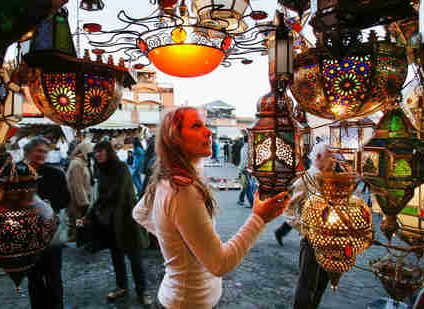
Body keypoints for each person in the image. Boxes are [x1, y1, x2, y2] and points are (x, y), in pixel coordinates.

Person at [132, 107, 290, 309]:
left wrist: (181, 241)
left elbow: (140, 212)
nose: (208, 132)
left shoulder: (172, 177)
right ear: (175, 138)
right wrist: (259, 218)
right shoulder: (182, 190)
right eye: (196, 126)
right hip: (188, 301)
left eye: (205, 125)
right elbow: (220, 264)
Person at [87, 141, 152, 306]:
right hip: (110, 222)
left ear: (108, 152)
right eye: (96, 152)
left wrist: (97, 207)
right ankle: (121, 287)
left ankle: (142, 291)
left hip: (126, 219)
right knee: (116, 256)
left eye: (101, 151)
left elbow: (117, 193)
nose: (98, 155)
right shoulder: (101, 171)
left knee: (134, 257)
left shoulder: (121, 168)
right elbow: (100, 195)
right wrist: (91, 212)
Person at [287, 143, 337, 309]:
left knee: (322, 283)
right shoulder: (305, 180)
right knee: (307, 285)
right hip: (312, 241)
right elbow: (288, 209)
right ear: (318, 157)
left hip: (329, 240)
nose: (334, 161)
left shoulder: (329, 179)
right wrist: (304, 230)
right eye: (331, 156)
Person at [25, 137, 71, 309]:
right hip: (28, 235)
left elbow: (66, 199)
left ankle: (57, 306)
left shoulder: (55, 174)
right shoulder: (17, 173)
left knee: (53, 275)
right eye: (38, 151)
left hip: (51, 232)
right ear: (28, 152)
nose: (41, 155)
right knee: (34, 276)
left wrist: (49, 205)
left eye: (44, 151)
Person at [66, 142, 93, 242]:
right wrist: (83, 202)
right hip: (77, 199)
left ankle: (78, 235)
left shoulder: (81, 162)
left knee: (78, 218)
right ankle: (77, 236)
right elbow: (77, 185)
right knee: (77, 218)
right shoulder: (77, 164)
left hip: (80, 197)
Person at [238, 135, 254, 208]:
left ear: (244, 140)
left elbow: (244, 161)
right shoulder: (250, 148)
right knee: (244, 185)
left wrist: (241, 169)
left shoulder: (245, 148)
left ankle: (252, 203)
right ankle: (241, 199)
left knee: (247, 186)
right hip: (249, 169)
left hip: (245, 169)